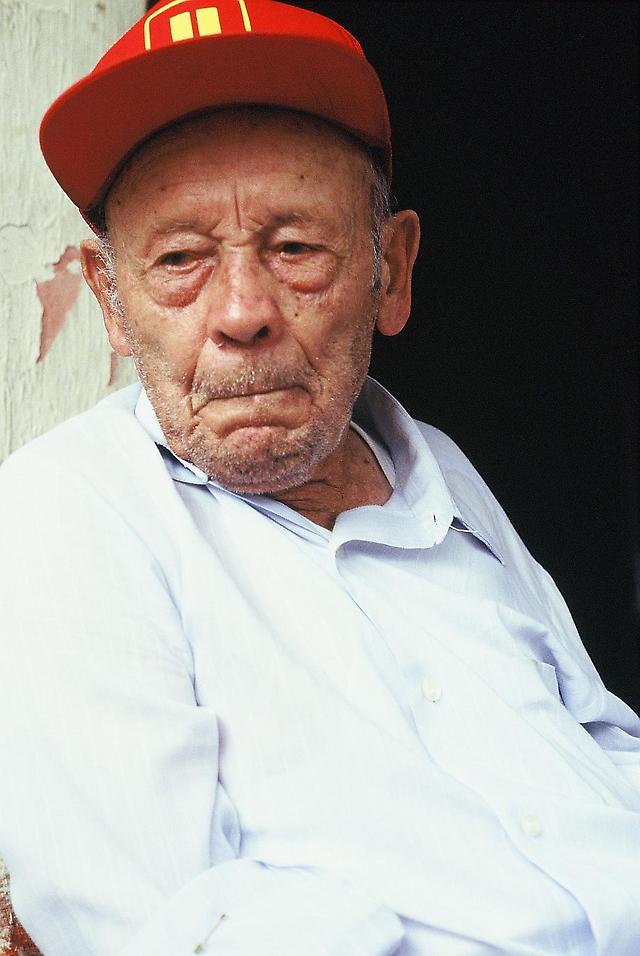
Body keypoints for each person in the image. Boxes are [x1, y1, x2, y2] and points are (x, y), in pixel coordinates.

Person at [0, 1, 639, 954]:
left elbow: (605, 743)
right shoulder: (68, 509)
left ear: (392, 271)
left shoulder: (436, 468)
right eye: (180, 259)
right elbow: (169, 930)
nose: (243, 312)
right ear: (112, 302)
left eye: (295, 248)